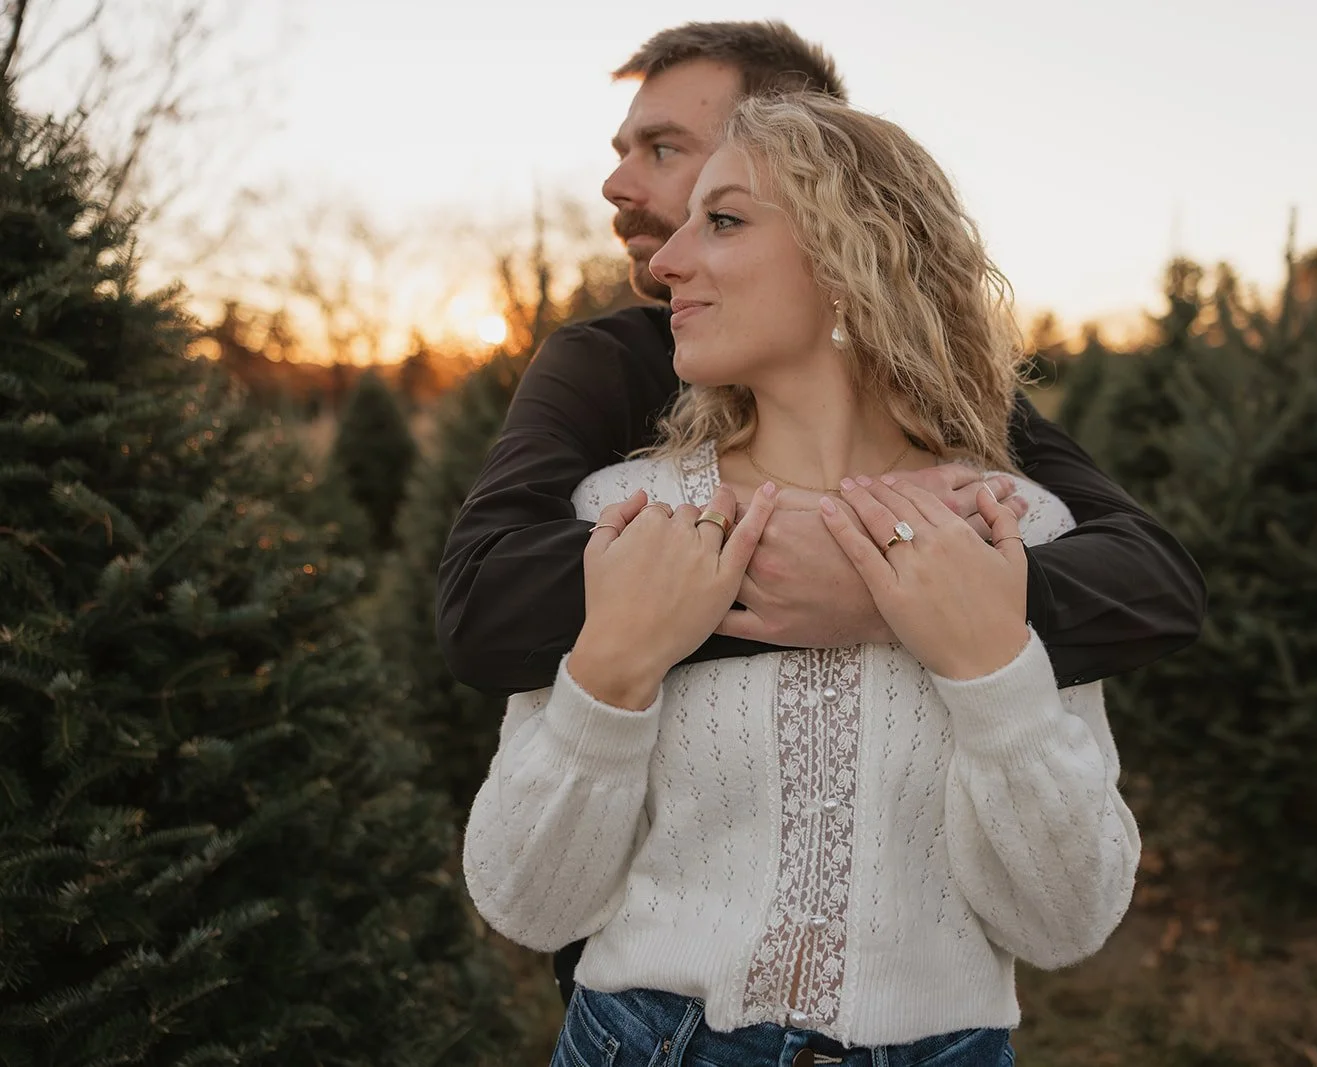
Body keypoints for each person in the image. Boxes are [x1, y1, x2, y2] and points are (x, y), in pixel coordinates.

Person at [436, 19, 1203, 1007]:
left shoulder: (1005, 515)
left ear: (851, 247)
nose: (641, 217)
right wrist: (635, 639)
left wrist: (948, 622)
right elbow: (481, 607)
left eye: (673, 158)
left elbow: (1151, 578)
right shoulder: (614, 479)